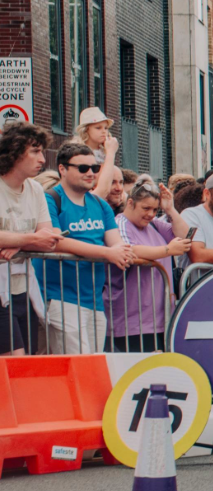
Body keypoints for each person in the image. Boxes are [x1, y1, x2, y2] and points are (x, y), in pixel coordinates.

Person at [41, 142, 131, 353]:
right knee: (75, 366)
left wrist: (120, 251)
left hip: (94, 299)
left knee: (93, 366)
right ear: (62, 169)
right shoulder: (49, 199)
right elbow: (55, 241)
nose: (91, 173)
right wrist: (108, 253)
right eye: (83, 168)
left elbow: (115, 241)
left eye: (95, 168)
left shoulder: (100, 204)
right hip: (61, 297)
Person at [106, 176, 190, 352]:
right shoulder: (120, 223)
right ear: (130, 203)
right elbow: (129, 250)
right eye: (146, 208)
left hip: (161, 318)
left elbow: (185, 236)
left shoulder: (153, 224)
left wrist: (170, 209)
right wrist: (167, 250)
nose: (151, 214)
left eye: (155, 209)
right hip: (132, 320)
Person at [0, 123, 64, 354]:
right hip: (1, 289)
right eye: (35, 151)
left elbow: (51, 235)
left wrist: (17, 244)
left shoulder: (36, 190)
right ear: (15, 151)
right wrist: (30, 239)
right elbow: (40, 237)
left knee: (26, 362)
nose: (42, 159)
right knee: (14, 360)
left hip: (23, 287)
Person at [73, 106, 120, 208]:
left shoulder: (105, 150)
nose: (104, 131)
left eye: (106, 128)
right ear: (86, 130)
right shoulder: (78, 151)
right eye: (98, 128)